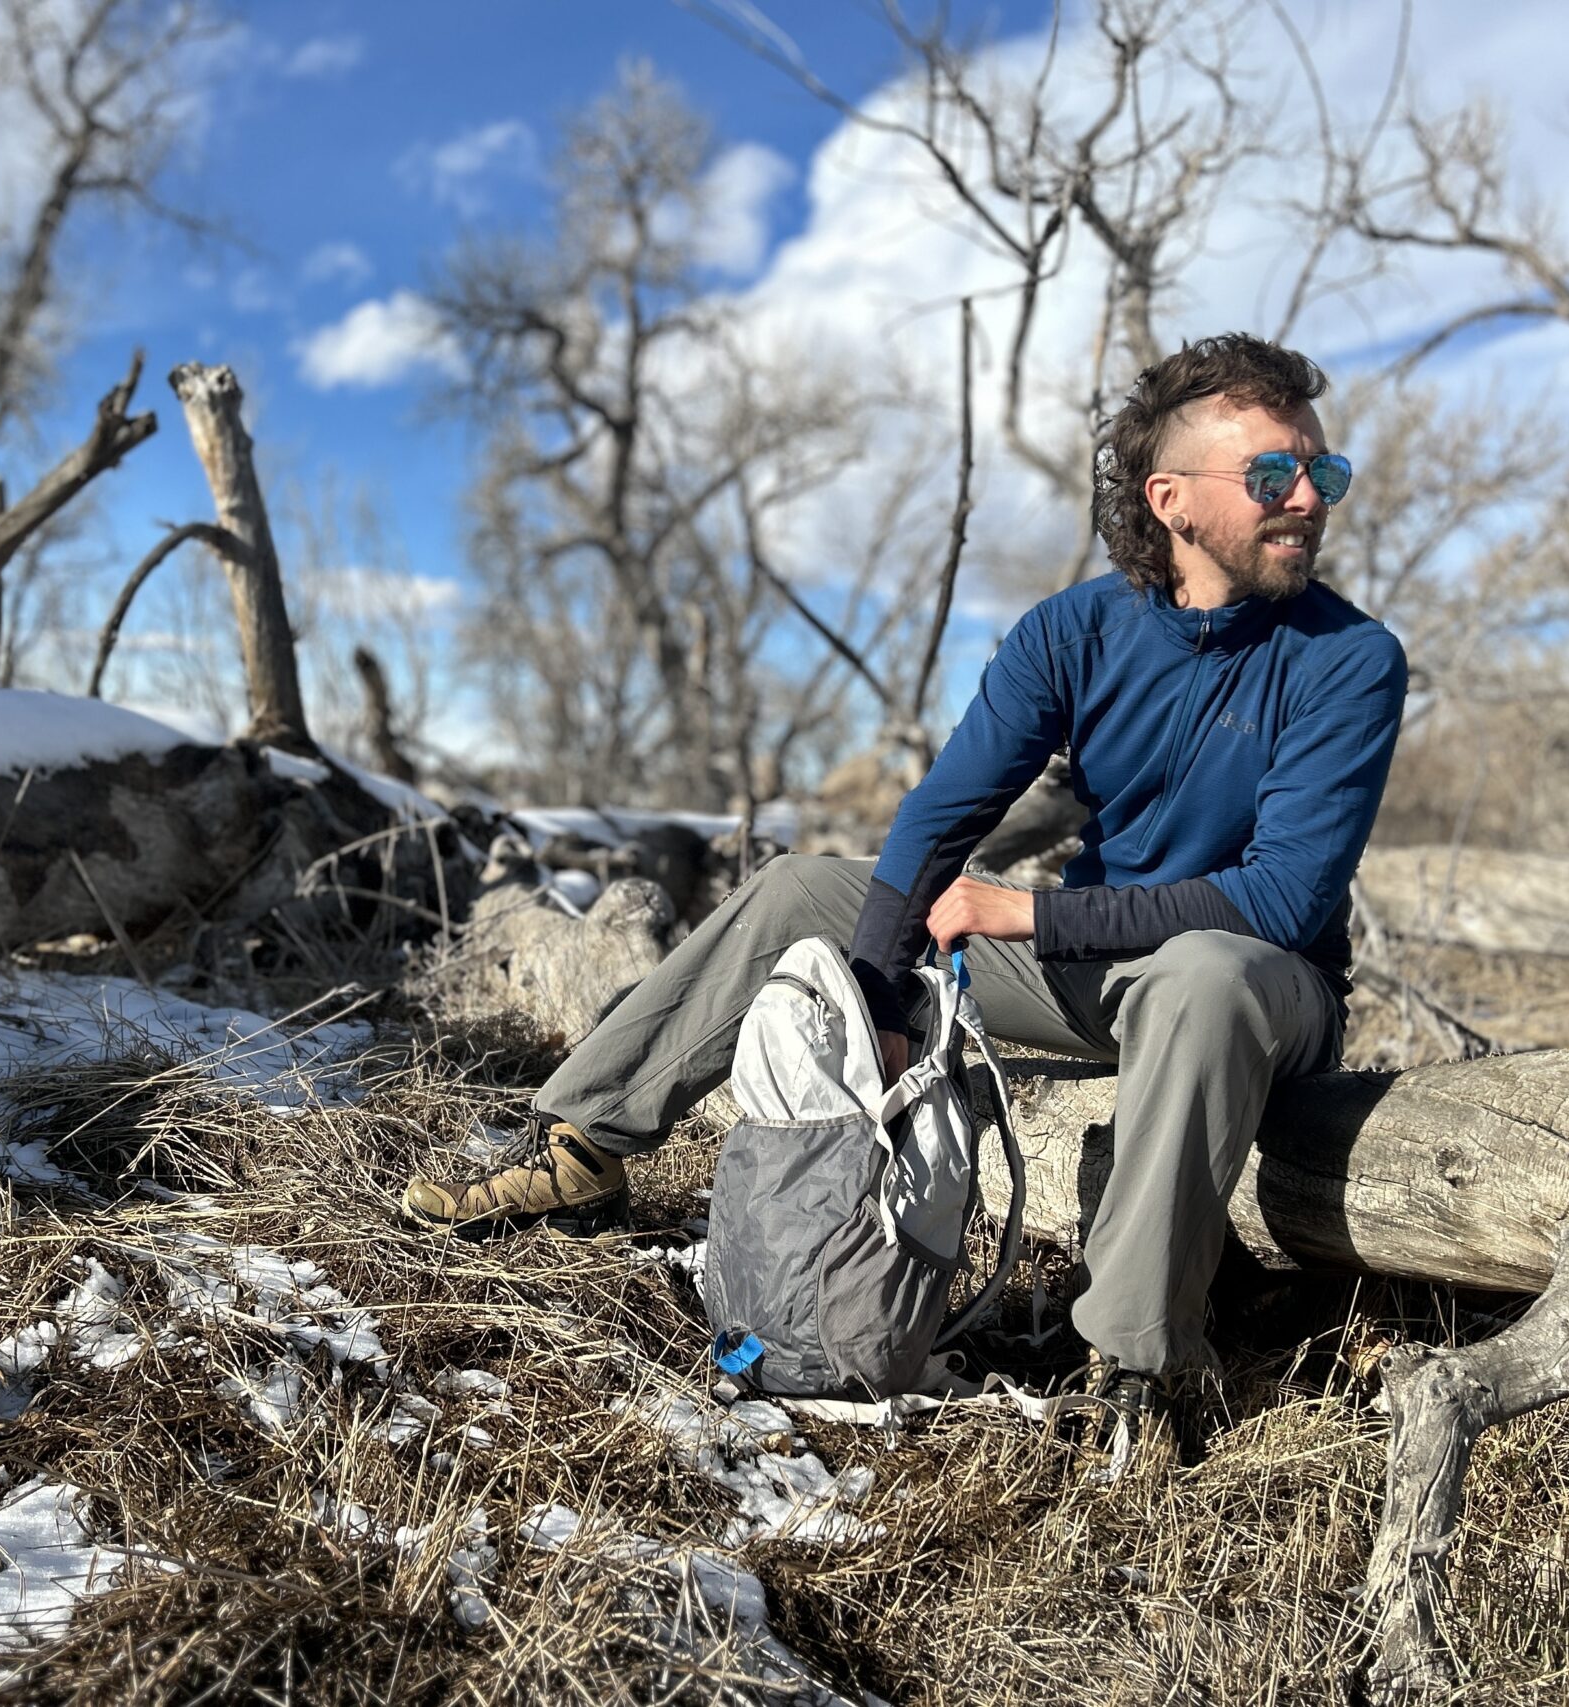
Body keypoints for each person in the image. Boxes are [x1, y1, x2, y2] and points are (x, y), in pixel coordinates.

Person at [400, 332, 1409, 1443]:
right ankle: (582, 1144)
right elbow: (943, 814)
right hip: (1094, 972)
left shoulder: (1347, 659)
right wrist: (877, 994)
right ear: (1171, 499)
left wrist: (1030, 912)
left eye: (1323, 472)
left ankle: (1136, 1363)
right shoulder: (1075, 630)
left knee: (1205, 979)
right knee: (802, 894)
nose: (1309, 497)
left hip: (1262, 988)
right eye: (1273, 475)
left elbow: (1278, 902)